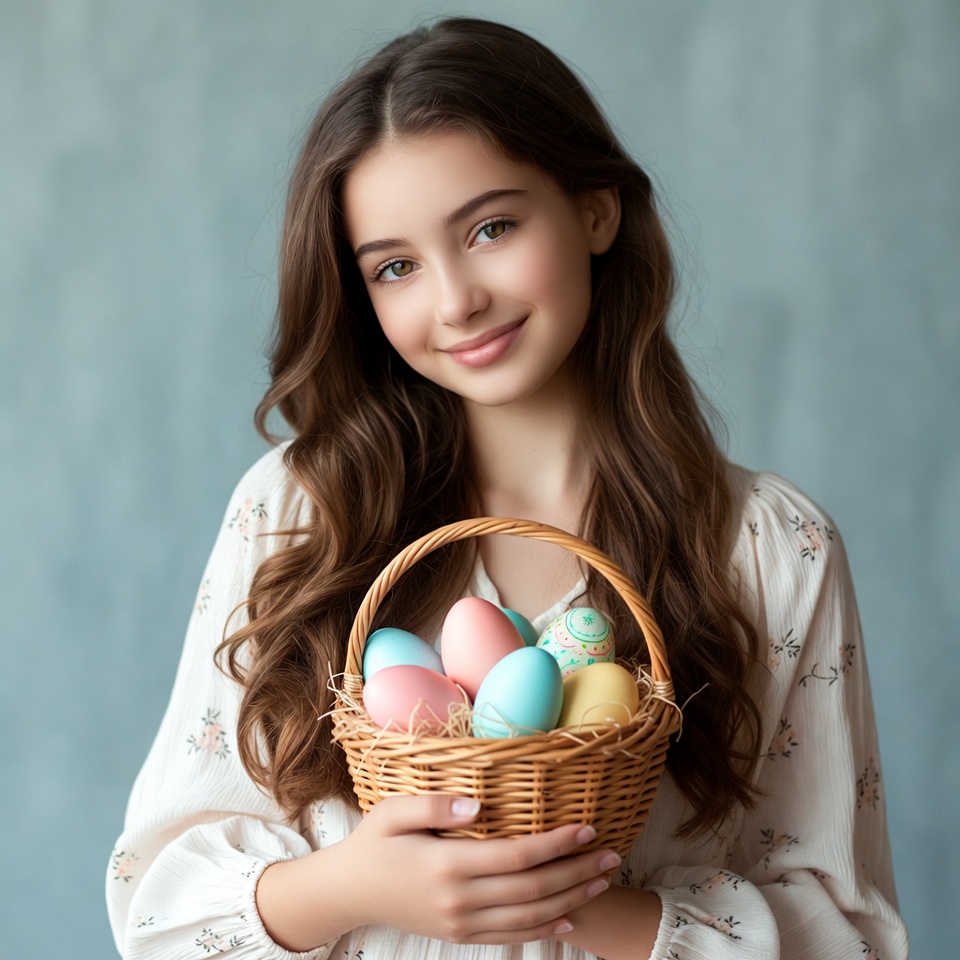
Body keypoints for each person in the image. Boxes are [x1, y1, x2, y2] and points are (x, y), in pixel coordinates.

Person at [106, 17, 908, 960]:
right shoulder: (299, 511)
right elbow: (159, 909)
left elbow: (847, 933)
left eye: (491, 228)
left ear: (597, 211)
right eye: (396, 267)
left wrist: (574, 903)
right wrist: (358, 886)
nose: (457, 301)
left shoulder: (768, 547)